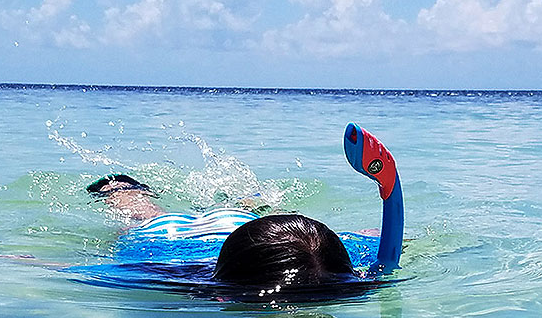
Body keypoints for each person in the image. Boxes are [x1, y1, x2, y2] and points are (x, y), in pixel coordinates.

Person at [82, 123, 403, 299]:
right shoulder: (161, 269)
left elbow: (374, 238)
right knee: (144, 218)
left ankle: (252, 201)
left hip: (237, 228)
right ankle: (121, 189)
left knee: (142, 215)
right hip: (171, 236)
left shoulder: (168, 275)